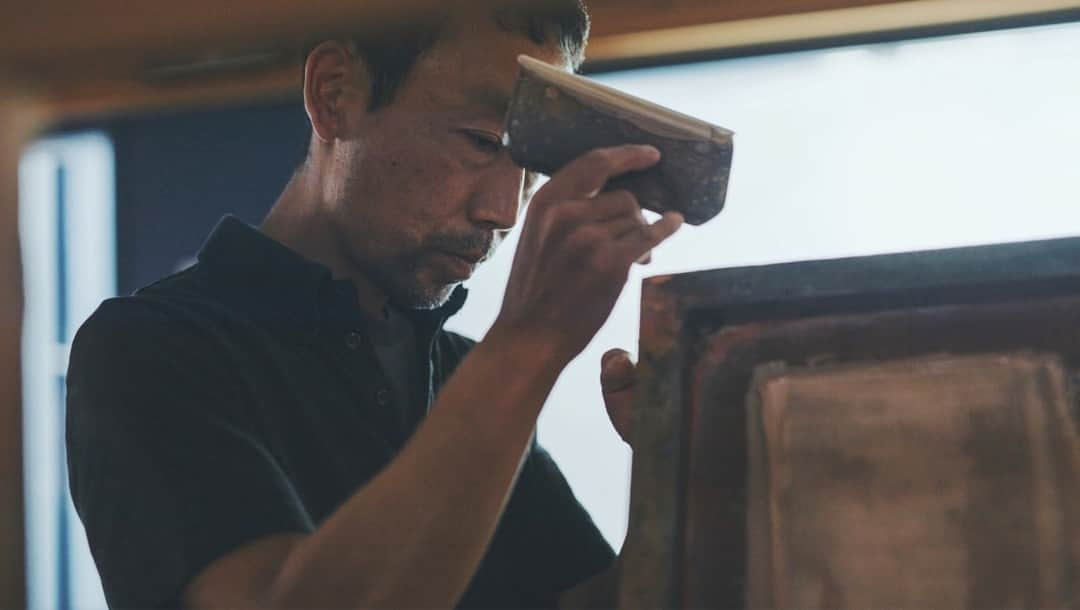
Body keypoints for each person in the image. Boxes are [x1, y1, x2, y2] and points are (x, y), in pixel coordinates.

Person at [65, 1, 684, 608]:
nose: (506, 210)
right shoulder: (152, 347)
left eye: (533, 168)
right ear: (334, 94)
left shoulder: (465, 372)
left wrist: (680, 467)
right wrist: (527, 346)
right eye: (480, 141)